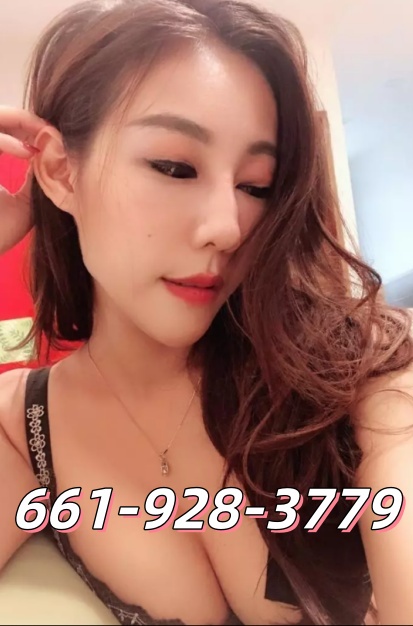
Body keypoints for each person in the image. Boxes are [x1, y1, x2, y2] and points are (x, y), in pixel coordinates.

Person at [0, 0, 412, 624]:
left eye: (256, 185)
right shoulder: (24, 427)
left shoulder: (365, 371)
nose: (228, 227)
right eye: (175, 167)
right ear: (60, 171)